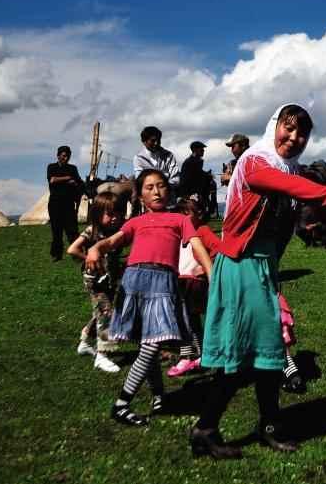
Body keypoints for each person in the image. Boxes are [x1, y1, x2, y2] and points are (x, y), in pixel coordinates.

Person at [192, 103, 326, 459]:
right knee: (245, 355)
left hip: (263, 265)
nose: (294, 137)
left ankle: (264, 426)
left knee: (270, 351)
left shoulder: (287, 167)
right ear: (274, 126)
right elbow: (291, 186)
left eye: (302, 133)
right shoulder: (256, 161)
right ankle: (208, 429)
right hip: (240, 264)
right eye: (288, 128)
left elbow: (300, 193)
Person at [85, 169, 214, 426]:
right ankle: (138, 401)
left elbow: (198, 247)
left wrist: (213, 276)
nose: (156, 191)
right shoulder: (135, 222)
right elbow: (113, 241)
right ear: (140, 196)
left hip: (163, 283)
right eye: (149, 187)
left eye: (161, 185)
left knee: (152, 344)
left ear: (169, 190)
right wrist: (96, 248)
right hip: (135, 283)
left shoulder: (180, 220)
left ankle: (139, 400)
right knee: (150, 343)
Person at [67, 192, 127, 373]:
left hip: (110, 278)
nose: (115, 217)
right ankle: (102, 355)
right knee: (107, 314)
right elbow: (72, 249)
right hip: (95, 281)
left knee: (100, 312)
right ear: (98, 214)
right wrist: (89, 259)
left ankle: (84, 343)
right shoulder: (92, 231)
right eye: (110, 214)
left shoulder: (117, 232)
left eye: (118, 213)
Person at [167, 196, 221, 378]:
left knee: (184, 322)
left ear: (198, 214)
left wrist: (204, 267)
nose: (183, 218)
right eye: (179, 214)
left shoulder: (202, 230)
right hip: (180, 282)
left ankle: (187, 356)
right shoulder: (178, 234)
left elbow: (218, 250)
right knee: (191, 321)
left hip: (194, 284)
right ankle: (200, 354)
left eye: (187, 213)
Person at [47, 145, 84, 261]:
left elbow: (79, 183)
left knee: (72, 231)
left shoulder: (73, 168)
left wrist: (74, 183)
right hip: (55, 203)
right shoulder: (52, 167)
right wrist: (68, 178)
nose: (65, 158)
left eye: (67, 156)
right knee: (56, 231)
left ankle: (76, 254)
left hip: (68, 203)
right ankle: (57, 254)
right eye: (63, 156)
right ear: (58, 156)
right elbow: (52, 180)